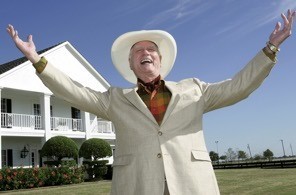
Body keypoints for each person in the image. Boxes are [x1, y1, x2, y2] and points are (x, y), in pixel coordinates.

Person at [7, 9, 295, 195]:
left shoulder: (194, 89)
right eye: (138, 51)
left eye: (151, 49)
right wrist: (36, 59)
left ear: (160, 59)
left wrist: (270, 49)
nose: (146, 52)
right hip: (138, 186)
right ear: (131, 64)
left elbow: (239, 87)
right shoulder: (115, 100)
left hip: (193, 186)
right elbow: (73, 91)